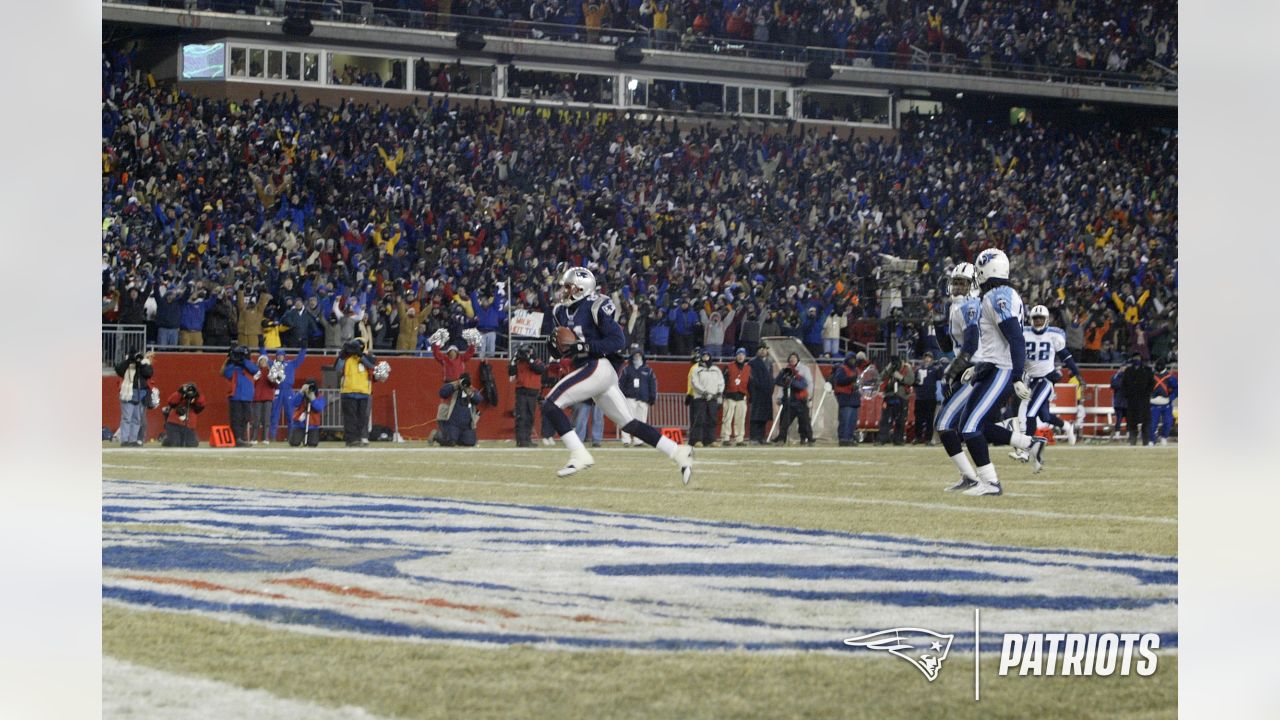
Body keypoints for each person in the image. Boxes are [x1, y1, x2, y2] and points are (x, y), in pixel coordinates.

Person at [541, 267, 692, 482]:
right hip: (594, 371)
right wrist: (555, 347)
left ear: (582, 288)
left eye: (568, 287)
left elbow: (618, 341)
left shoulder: (594, 306)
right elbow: (565, 349)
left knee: (550, 404)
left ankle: (579, 453)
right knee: (629, 424)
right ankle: (678, 452)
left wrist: (584, 347)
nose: (564, 292)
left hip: (597, 366)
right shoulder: (560, 312)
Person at [937, 248, 1047, 497]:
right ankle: (1028, 446)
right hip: (993, 367)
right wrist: (977, 369)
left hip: (1002, 369)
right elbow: (995, 344)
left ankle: (990, 483)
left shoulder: (998, 295)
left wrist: (1018, 375)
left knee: (970, 425)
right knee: (971, 424)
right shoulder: (995, 295)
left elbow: (1016, 338)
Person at [1009, 305, 1083, 460]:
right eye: (1035, 318)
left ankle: (1027, 450)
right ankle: (1067, 427)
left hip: (1046, 380)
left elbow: (1065, 355)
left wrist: (1076, 372)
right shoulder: (1024, 333)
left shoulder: (1054, 335)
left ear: (1047, 319)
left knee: (1030, 413)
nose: (1037, 321)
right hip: (1030, 380)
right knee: (1045, 417)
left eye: (1040, 318)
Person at [335, 337, 377, 446]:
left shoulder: (368, 357)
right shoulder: (346, 358)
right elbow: (337, 368)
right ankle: (351, 440)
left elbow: (371, 366)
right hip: (348, 391)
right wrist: (342, 355)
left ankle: (359, 438)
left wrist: (360, 355)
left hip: (363, 392)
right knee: (350, 418)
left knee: (361, 418)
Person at [114, 350, 154, 447]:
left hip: (141, 394)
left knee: (137, 418)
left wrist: (141, 363)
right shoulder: (127, 363)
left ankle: (133, 440)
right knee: (127, 418)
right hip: (128, 393)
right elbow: (119, 371)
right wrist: (130, 361)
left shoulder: (144, 364)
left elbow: (149, 374)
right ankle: (124, 440)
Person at [772, 352, 813, 445]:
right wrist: (780, 395)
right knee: (784, 422)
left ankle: (807, 438)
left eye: (794, 357)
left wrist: (809, 396)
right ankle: (781, 438)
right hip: (789, 401)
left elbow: (805, 384)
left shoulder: (802, 372)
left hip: (800, 400)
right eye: (791, 358)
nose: (792, 359)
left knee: (804, 422)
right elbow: (779, 383)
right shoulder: (785, 371)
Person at [509, 343, 545, 447]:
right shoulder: (519, 363)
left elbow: (540, 369)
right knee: (521, 416)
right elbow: (511, 373)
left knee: (530, 417)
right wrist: (513, 360)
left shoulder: (537, 361)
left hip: (533, 393)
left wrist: (529, 359)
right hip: (522, 392)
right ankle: (521, 440)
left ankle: (527, 439)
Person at [619, 349, 657, 447]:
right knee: (627, 420)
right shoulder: (627, 369)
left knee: (641, 421)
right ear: (632, 357)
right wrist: (622, 396)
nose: (637, 357)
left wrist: (652, 397)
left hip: (643, 399)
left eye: (639, 355)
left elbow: (652, 385)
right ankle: (626, 440)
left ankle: (638, 440)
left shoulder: (648, 370)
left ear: (642, 357)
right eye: (635, 355)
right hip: (630, 398)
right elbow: (621, 384)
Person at [269, 347, 308, 441]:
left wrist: (303, 349)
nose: (280, 357)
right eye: (278, 355)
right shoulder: (274, 365)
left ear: (284, 356)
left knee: (290, 415)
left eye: (282, 355)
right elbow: (265, 358)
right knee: (274, 415)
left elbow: (300, 359)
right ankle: (272, 437)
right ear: (276, 356)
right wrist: (261, 347)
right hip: (278, 390)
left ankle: (291, 437)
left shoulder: (290, 364)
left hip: (288, 391)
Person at [222, 345, 257, 447]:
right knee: (236, 418)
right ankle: (237, 438)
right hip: (235, 395)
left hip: (247, 396)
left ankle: (242, 437)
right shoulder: (233, 367)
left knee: (246, 417)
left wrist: (243, 361)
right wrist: (232, 361)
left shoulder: (250, 364)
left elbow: (255, 370)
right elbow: (227, 373)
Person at [831, 351, 868, 446]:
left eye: (853, 360)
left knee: (852, 421)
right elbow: (839, 380)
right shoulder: (842, 369)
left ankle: (849, 438)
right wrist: (852, 379)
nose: (852, 361)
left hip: (853, 397)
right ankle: (843, 438)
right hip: (845, 397)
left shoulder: (855, 370)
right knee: (845, 420)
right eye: (851, 359)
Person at [689, 350, 724, 447]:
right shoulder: (696, 369)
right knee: (699, 419)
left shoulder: (716, 369)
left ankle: (711, 440)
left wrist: (719, 392)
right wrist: (703, 392)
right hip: (700, 398)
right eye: (703, 356)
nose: (705, 358)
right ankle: (697, 440)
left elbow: (721, 382)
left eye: (707, 356)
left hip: (713, 397)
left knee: (712, 419)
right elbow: (695, 383)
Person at [877, 355, 914, 446]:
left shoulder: (907, 368)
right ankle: (882, 439)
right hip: (889, 395)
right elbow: (881, 377)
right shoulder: (890, 368)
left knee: (900, 419)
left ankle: (898, 439)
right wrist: (887, 368)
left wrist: (901, 377)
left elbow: (911, 381)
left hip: (901, 396)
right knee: (885, 419)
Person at [1120, 352, 1155, 446]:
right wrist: (1127, 395)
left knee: (1145, 422)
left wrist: (1147, 393)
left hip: (1144, 400)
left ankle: (1146, 442)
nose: (1137, 360)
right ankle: (1132, 441)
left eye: (1138, 358)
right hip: (1132, 400)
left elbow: (1152, 384)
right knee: (1132, 422)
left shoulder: (1147, 370)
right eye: (1135, 358)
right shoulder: (1128, 371)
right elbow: (1124, 385)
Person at [436, 375, 481, 446]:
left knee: (470, 443)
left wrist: (470, 393)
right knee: (451, 442)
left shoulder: (472, 390)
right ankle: (437, 435)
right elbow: (442, 393)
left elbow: (479, 399)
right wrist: (456, 385)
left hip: (467, 426)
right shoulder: (452, 388)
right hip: (452, 423)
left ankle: (458, 438)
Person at [720, 348, 751, 446]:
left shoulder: (748, 368)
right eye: (739, 354)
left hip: (742, 396)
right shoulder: (728, 367)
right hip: (730, 396)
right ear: (736, 356)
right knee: (727, 418)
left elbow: (750, 383)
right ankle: (725, 438)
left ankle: (739, 439)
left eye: (742, 354)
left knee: (740, 419)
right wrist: (723, 393)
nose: (741, 356)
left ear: (745, 356)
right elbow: (723, 381)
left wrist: (750, 395)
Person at [160, 382, 204, 447]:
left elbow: (200, 406)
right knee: (175, 443)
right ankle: (166, 439)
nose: (189, 392)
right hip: (174, 424)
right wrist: (180, 393)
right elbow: (171, 402)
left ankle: (182, 438)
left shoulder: (198, 397)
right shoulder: (179, 395)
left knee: (192, 444)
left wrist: (196, 396)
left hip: (189, 425)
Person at [914, 352, 944, 445]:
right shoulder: (918, 369)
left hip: (930, 397)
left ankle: (928, 438)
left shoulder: (935, 370)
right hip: (920, 397)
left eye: (929, 358)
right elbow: (915, 382)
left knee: (929, 419)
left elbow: (940, 379)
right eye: (926, 357)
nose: (927, 359)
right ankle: (918, 437)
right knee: (918, 418)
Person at [747, 345, 774, 444]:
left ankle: (762, 437)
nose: (763, 351)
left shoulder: (770, 362)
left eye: (765, 349)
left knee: (764, 417)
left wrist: (771, 388)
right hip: (757, 393)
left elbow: (771, 377)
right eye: (761, 349)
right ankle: (754, 437)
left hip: (767, 394)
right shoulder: (752, 362)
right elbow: (751, 379)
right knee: (755, 417)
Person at [288, 378, 326, 447]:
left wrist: (313, 399)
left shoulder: (319, 396)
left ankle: (308, 438)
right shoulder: (301, 395)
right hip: (299, 424)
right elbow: (294, 403)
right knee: (294, 443)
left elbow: (319, 408)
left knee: (313, 444)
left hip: (313, 425)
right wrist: (301, 392)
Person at [1148, 359, 1178, 445]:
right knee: (1152, 424)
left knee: (1168, 422)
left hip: (1166, 403)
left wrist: (1171, 397)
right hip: (1153, 403)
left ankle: (1164, 437)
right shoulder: (1151, 376)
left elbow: (1177, 388)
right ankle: (1152, 440)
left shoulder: (1169, 377)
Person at [250, 354, 275, 445]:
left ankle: (265, 438)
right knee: (256, 419)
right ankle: (254, 438)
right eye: (261, 361)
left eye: (265, 361)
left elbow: (274, 385)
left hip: (268, 398)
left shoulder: (270, 372)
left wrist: (272, 379)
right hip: (257, 398)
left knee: (266, 419)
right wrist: (254, 378)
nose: (263, 362)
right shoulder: (256, 372)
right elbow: (251, 383)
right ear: (258, 362)